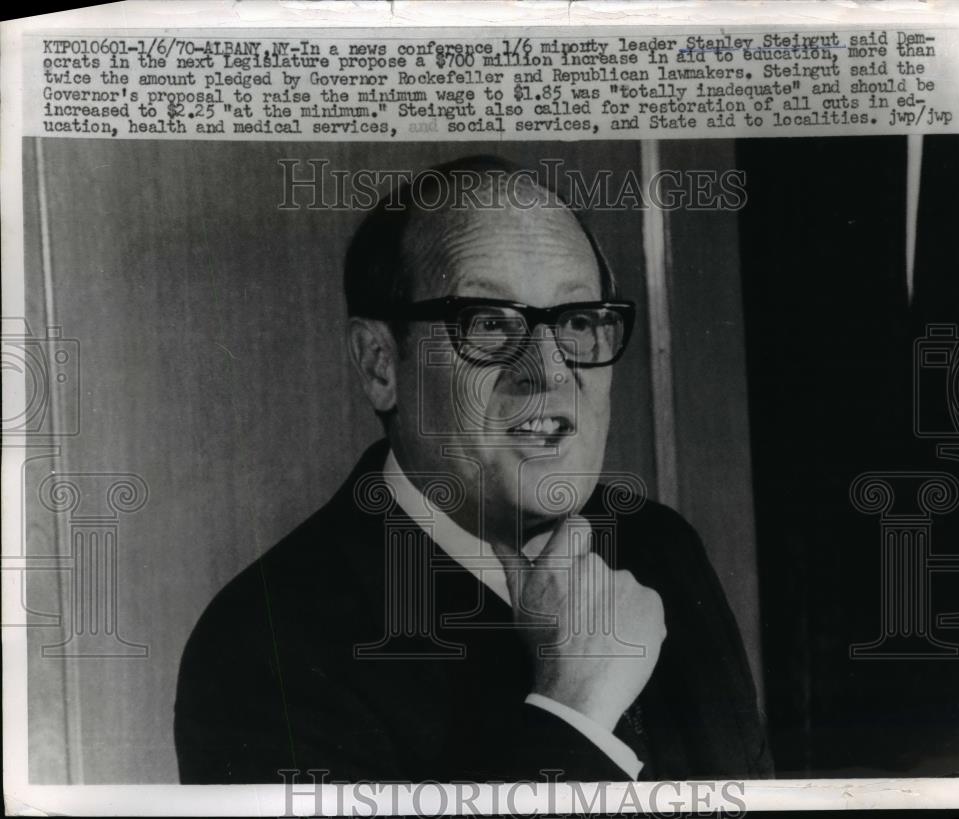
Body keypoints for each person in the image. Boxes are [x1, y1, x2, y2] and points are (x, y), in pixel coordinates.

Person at [174, 155, 772, 784]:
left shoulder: (662, 547)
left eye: (575, 322)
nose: (549, 374)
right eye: (487, 324)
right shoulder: (260, 648)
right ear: (381, 364)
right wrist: (574, 713)